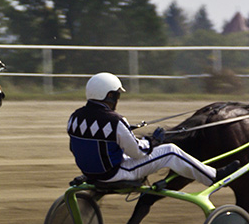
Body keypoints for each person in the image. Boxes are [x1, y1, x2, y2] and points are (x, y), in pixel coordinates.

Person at [67, 72, 240, 187]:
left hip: (90, 172)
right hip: (114, 174)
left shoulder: (74, 117)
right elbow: (137, 153)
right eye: (117, 95)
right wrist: (152, 141)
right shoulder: (115, 121)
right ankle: (213, 176)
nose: (118, 100)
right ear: (109, 95)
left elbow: (77, 146)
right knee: (170, 151)